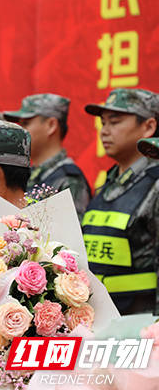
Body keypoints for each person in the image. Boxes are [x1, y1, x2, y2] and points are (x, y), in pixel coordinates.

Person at [81, 88, 159, 315]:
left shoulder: (155, 185)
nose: (104, 131)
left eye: (114, 122)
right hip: (102, 321)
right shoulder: (108, 184)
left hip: (143, 327)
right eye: (103, 123)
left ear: (149, 126)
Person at [4, 93, 90, 218]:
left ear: (51, 125)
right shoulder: (29, 173)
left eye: (26, 123)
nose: (20, 130)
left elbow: (70, 234)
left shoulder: (68, 179)